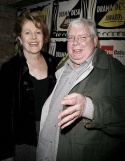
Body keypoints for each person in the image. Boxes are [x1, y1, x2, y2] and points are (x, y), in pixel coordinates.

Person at [36, 18, 125, 161]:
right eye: (71, 38)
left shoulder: (115, 70)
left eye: (83, 37)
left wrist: (89, 107)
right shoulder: (61, 67)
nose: (75, 42)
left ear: (95, 40)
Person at [0, 11, 58, 161]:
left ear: (44, 37)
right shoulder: (9, 69)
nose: (33, 37)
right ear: (19, 38)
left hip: (53, 135)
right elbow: (3, 116)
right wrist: (6, 154)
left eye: (38, 32)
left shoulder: (55, 64)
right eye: (27, 32)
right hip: (23, 142)